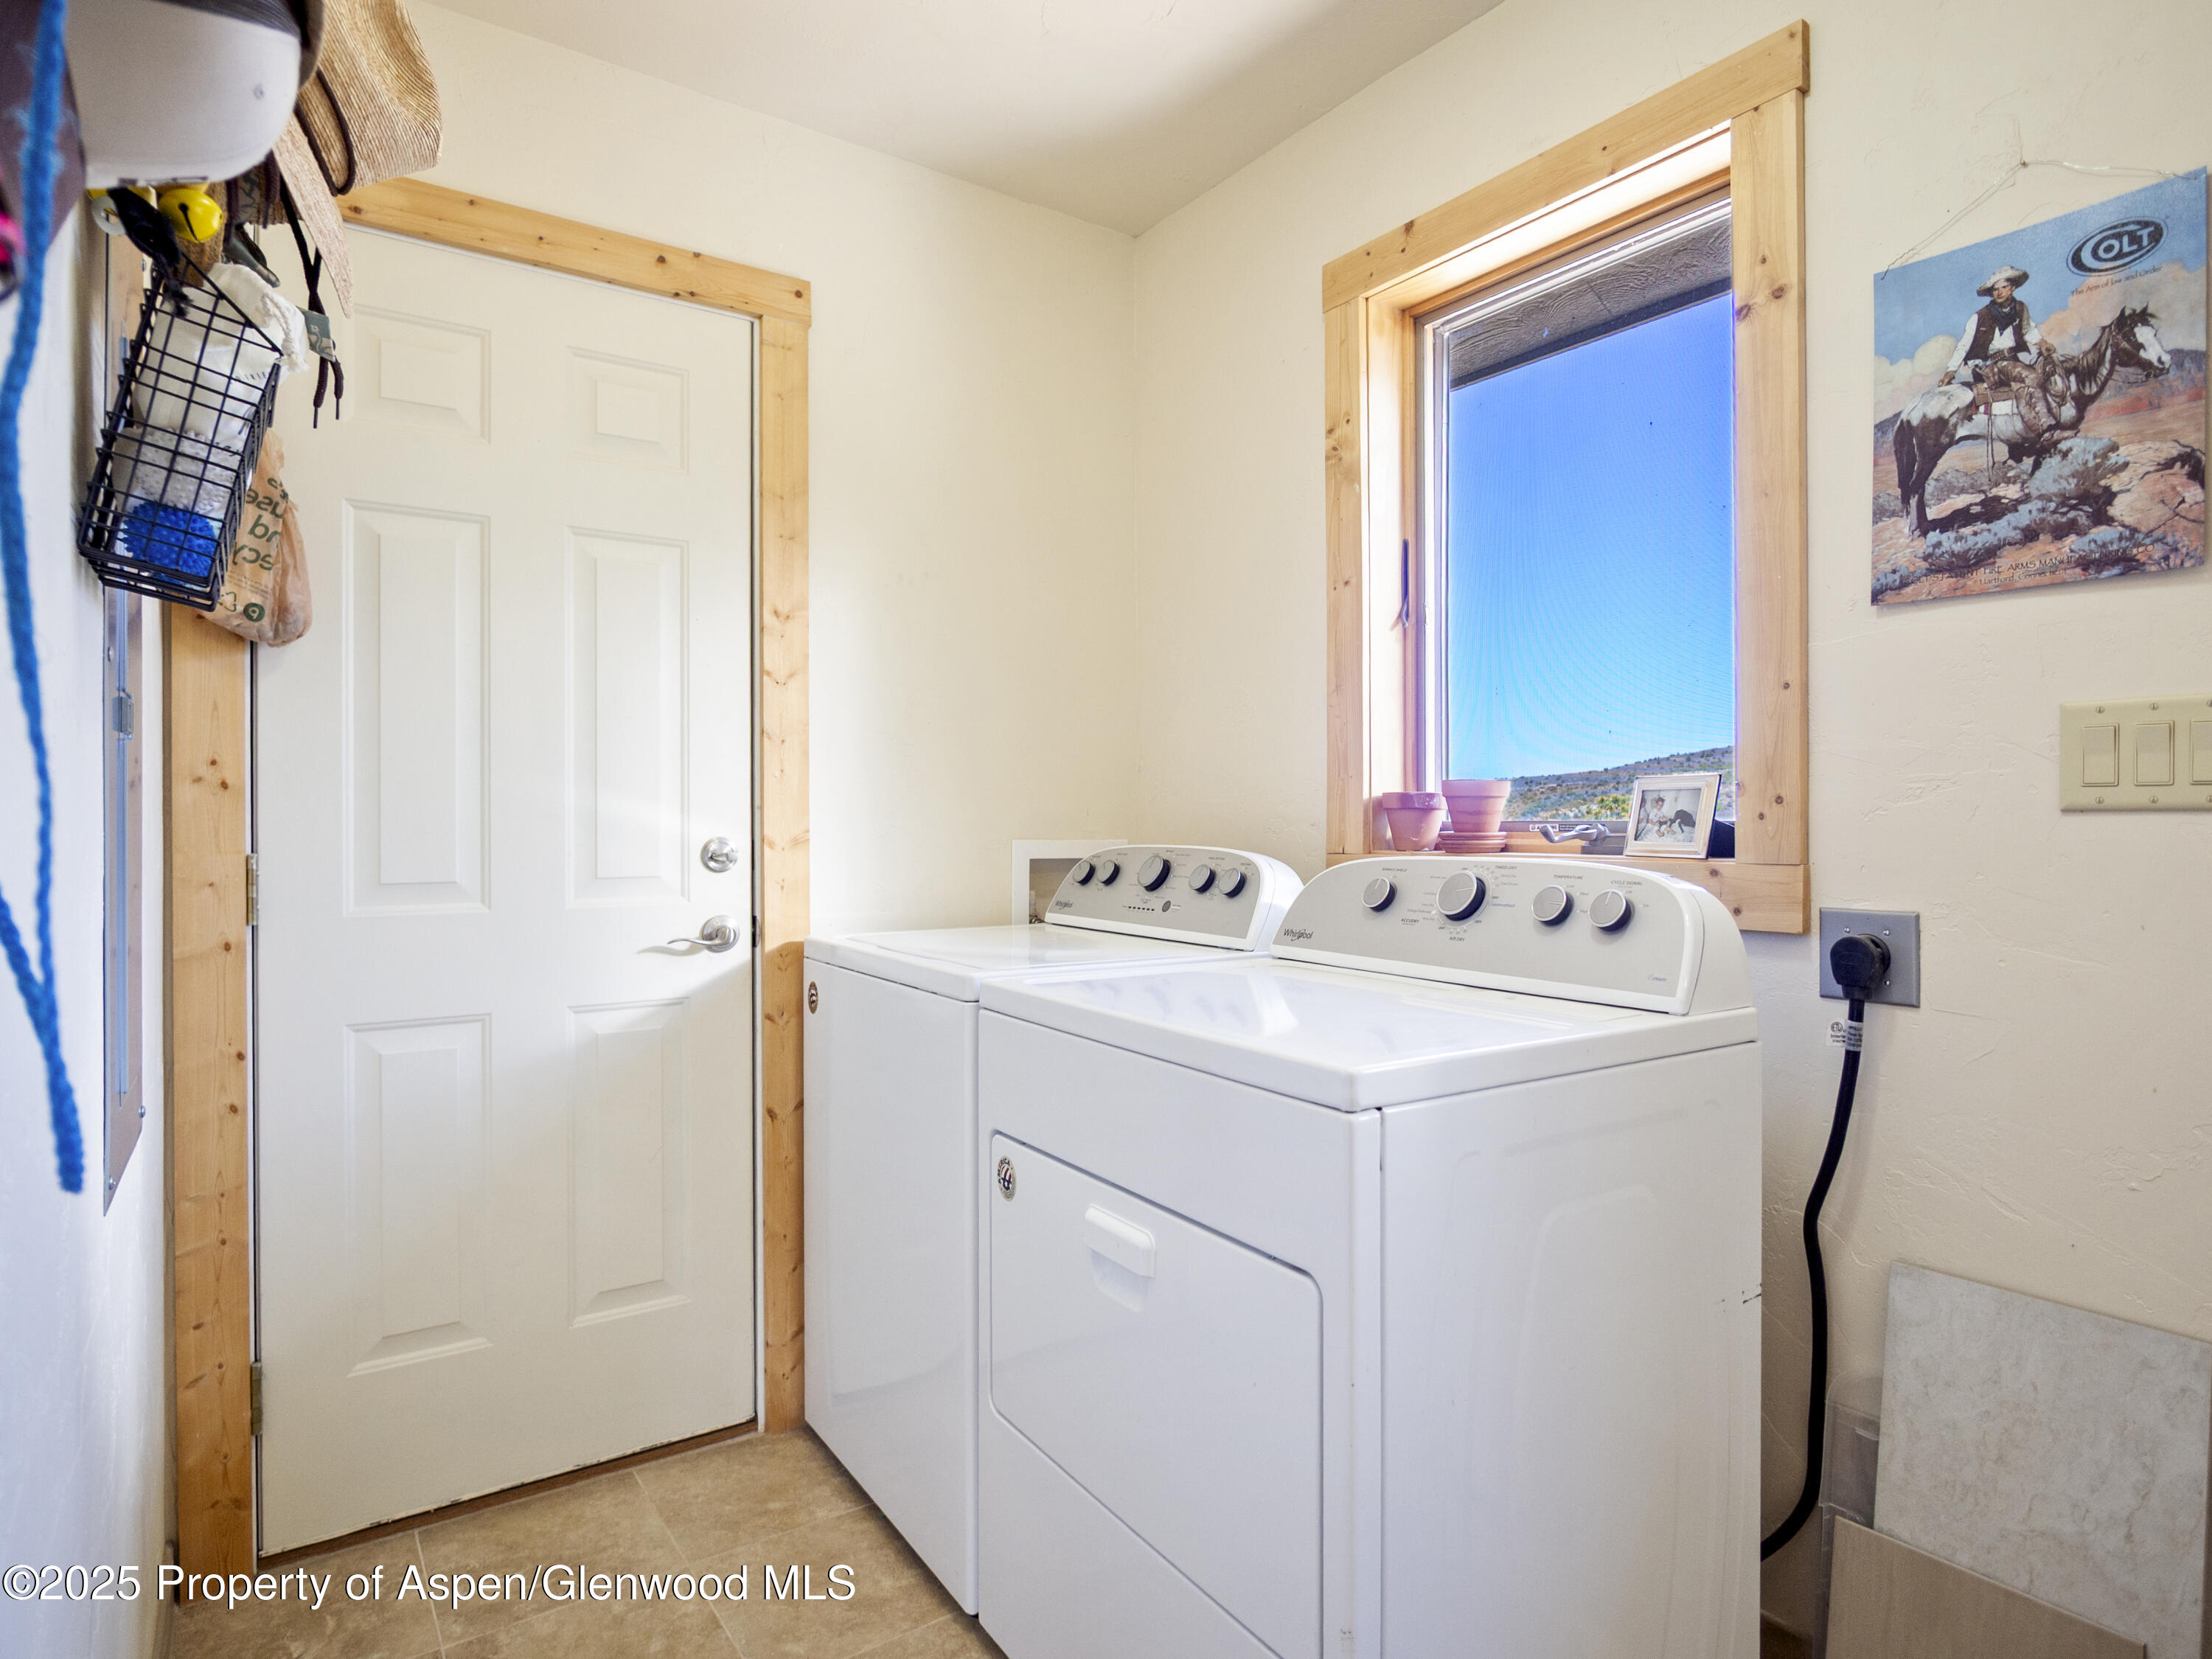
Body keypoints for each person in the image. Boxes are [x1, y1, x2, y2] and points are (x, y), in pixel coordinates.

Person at [1944, 265, 2053, 439]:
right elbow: (1964, 345)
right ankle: (2048, 425)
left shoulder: (2020, 309)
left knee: (2028, 384)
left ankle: (2038, 433)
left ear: (2012, 288)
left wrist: (2042, 342)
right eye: (1995, 290)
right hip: (1991, 366)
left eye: (2003, 288)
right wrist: (1951, 371)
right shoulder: (1980, 316)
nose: (1999, 293)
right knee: (2033, 377)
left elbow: (2028, 330)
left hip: (2013, 361)